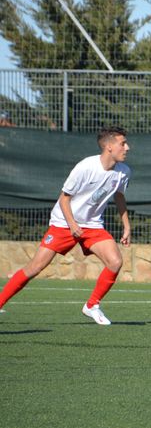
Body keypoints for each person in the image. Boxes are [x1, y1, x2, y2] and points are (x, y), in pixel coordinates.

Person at [0, 127, 132, 324]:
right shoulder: (85, 167)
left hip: (92, 225)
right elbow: (64, 198)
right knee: (35, 267)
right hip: (63, 223)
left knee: (115, 262)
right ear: (109, 147)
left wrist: (126, 226)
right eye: (123, 143)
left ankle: (91, 306)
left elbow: (119, 196)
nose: (127, 148)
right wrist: (72, 224)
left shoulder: (124, 172)